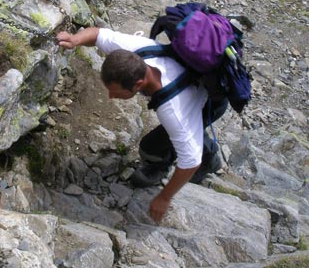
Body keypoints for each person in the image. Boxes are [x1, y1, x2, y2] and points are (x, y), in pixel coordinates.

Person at [56, 26, 227, 223]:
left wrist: (164, 198)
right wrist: (75, 39)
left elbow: (190, 161)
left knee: (150, 149)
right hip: (191, 89)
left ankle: (210, 156)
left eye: (115, 92)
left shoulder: (173, 110)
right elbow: (98, 34)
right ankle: (196, 141)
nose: (110, 97)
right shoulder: (133, 52)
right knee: (180, 136)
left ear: (137, 85)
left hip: (211, 104)